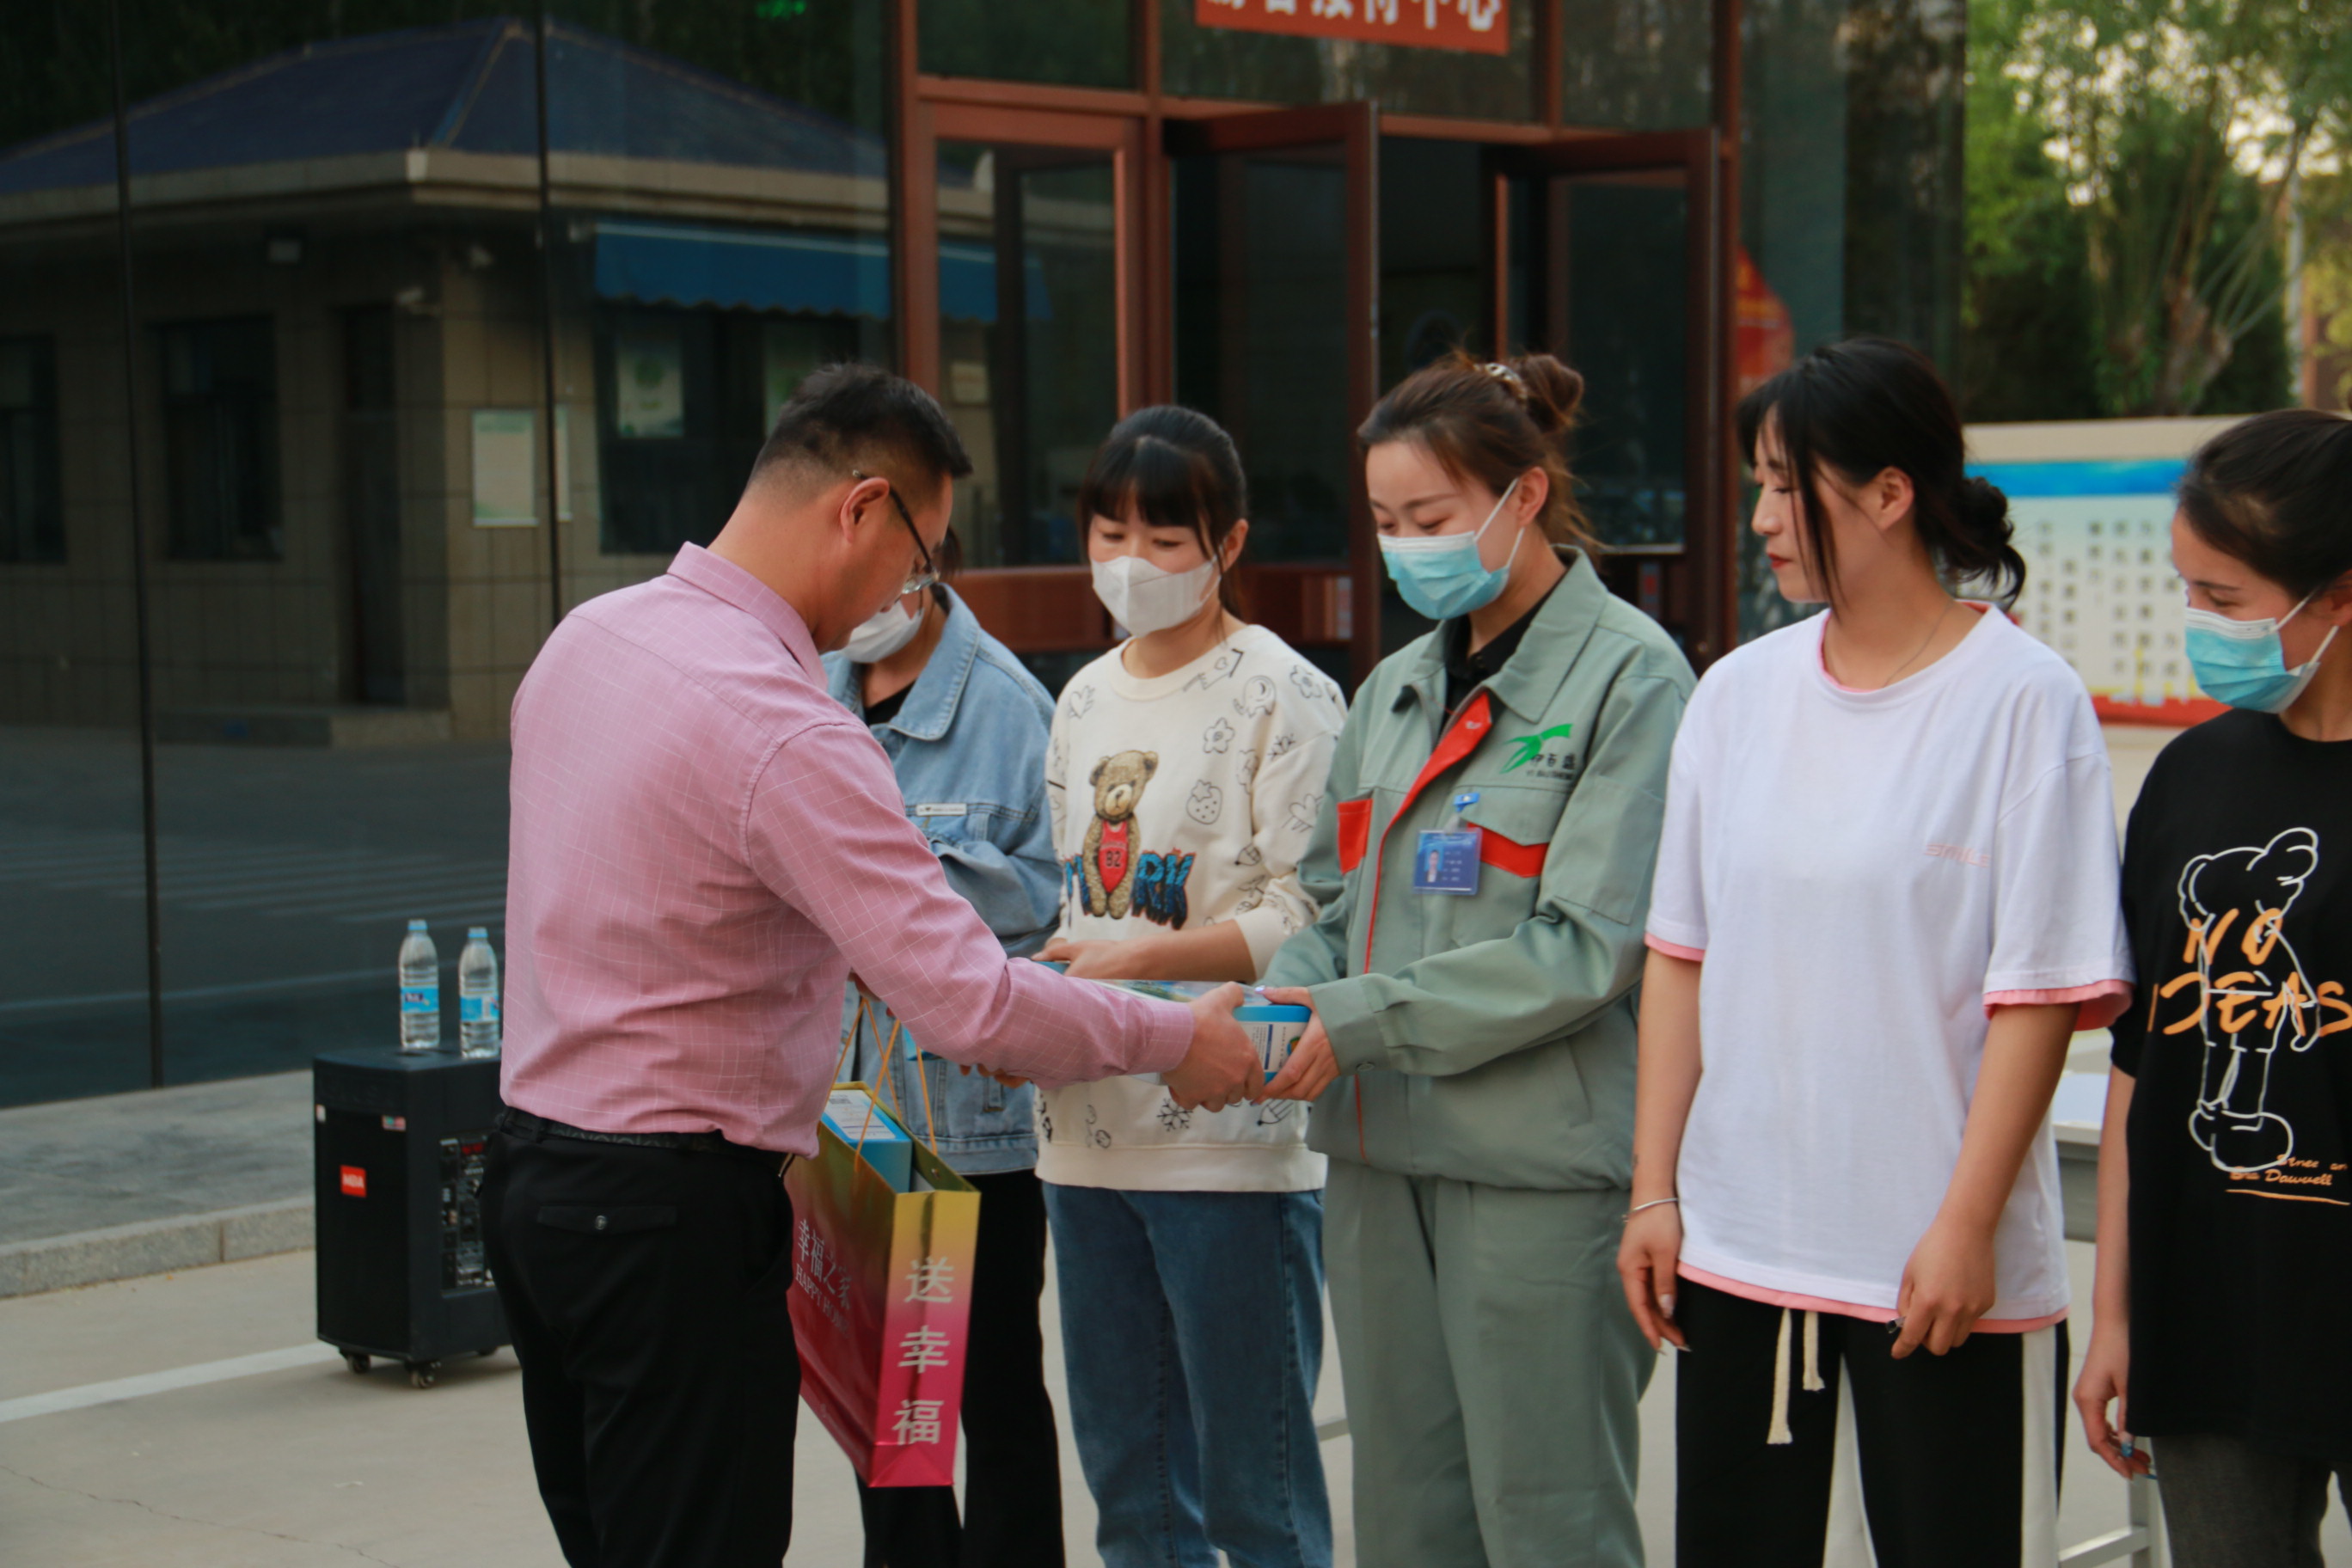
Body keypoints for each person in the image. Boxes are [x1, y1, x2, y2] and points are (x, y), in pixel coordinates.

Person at [481, 364, 1264, 1568]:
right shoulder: (787, 725)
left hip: (533, 1184)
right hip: (668, 1220)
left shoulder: (589, 639)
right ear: (859, 509)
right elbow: (969, 1003)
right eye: (921, 555)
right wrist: (1174, 1035)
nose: (912, 589)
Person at [1616, 336, 2133, 1565]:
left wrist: (1965, 1226)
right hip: (1740, 1249)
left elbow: (2036, 998)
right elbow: (1682, 957)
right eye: (1758, 484)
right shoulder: (1737, 695)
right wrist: (1655, 1191)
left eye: (1786, 486)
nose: (1760, 518)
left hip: (1936, 1269)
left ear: (1891, 493)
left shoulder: (2024, 699)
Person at [1259, 352, 1693, 1568]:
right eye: (1386, 522)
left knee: (1549, 1521)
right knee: (1406, 1522)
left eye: (1431, 518)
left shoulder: (1634, 678)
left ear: (1524, 496)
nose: (1407, 549)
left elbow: (1586, 948)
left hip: (1534, 1178)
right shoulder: (1395, 689)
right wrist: (1279, 998)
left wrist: (1352, 1019)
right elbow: (1337, 899)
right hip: (1377, 1162)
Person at [1032, 404, 1345, 1568]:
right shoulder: (1080, 699)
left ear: (1230, 544)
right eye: (1109, 532)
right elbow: (1077, 900)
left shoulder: (1284, 693)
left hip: (1231, 1145)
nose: (1132, 562)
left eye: (1165, 539)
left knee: (1256, 1496)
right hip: (1084, 1139)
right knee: (1132, 1493)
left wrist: (1136, 961)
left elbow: (1312, 913)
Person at [2073, 409, 2352, 1568]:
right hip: (2211, 1315)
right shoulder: (2191, 778)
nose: (2197, 622)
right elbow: (2142, 1064)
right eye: (2186, 589)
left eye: (2224, 599)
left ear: (2339, 595)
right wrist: (2117, 1313)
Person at [823, 527, 1069, 1568]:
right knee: (885, 1398)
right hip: (850, 1111)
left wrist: (895, 893)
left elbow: (1053, 902)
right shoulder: (811, 685)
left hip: (974, 1121)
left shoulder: (1011, 709)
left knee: (993, 1385)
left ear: (929, 567)